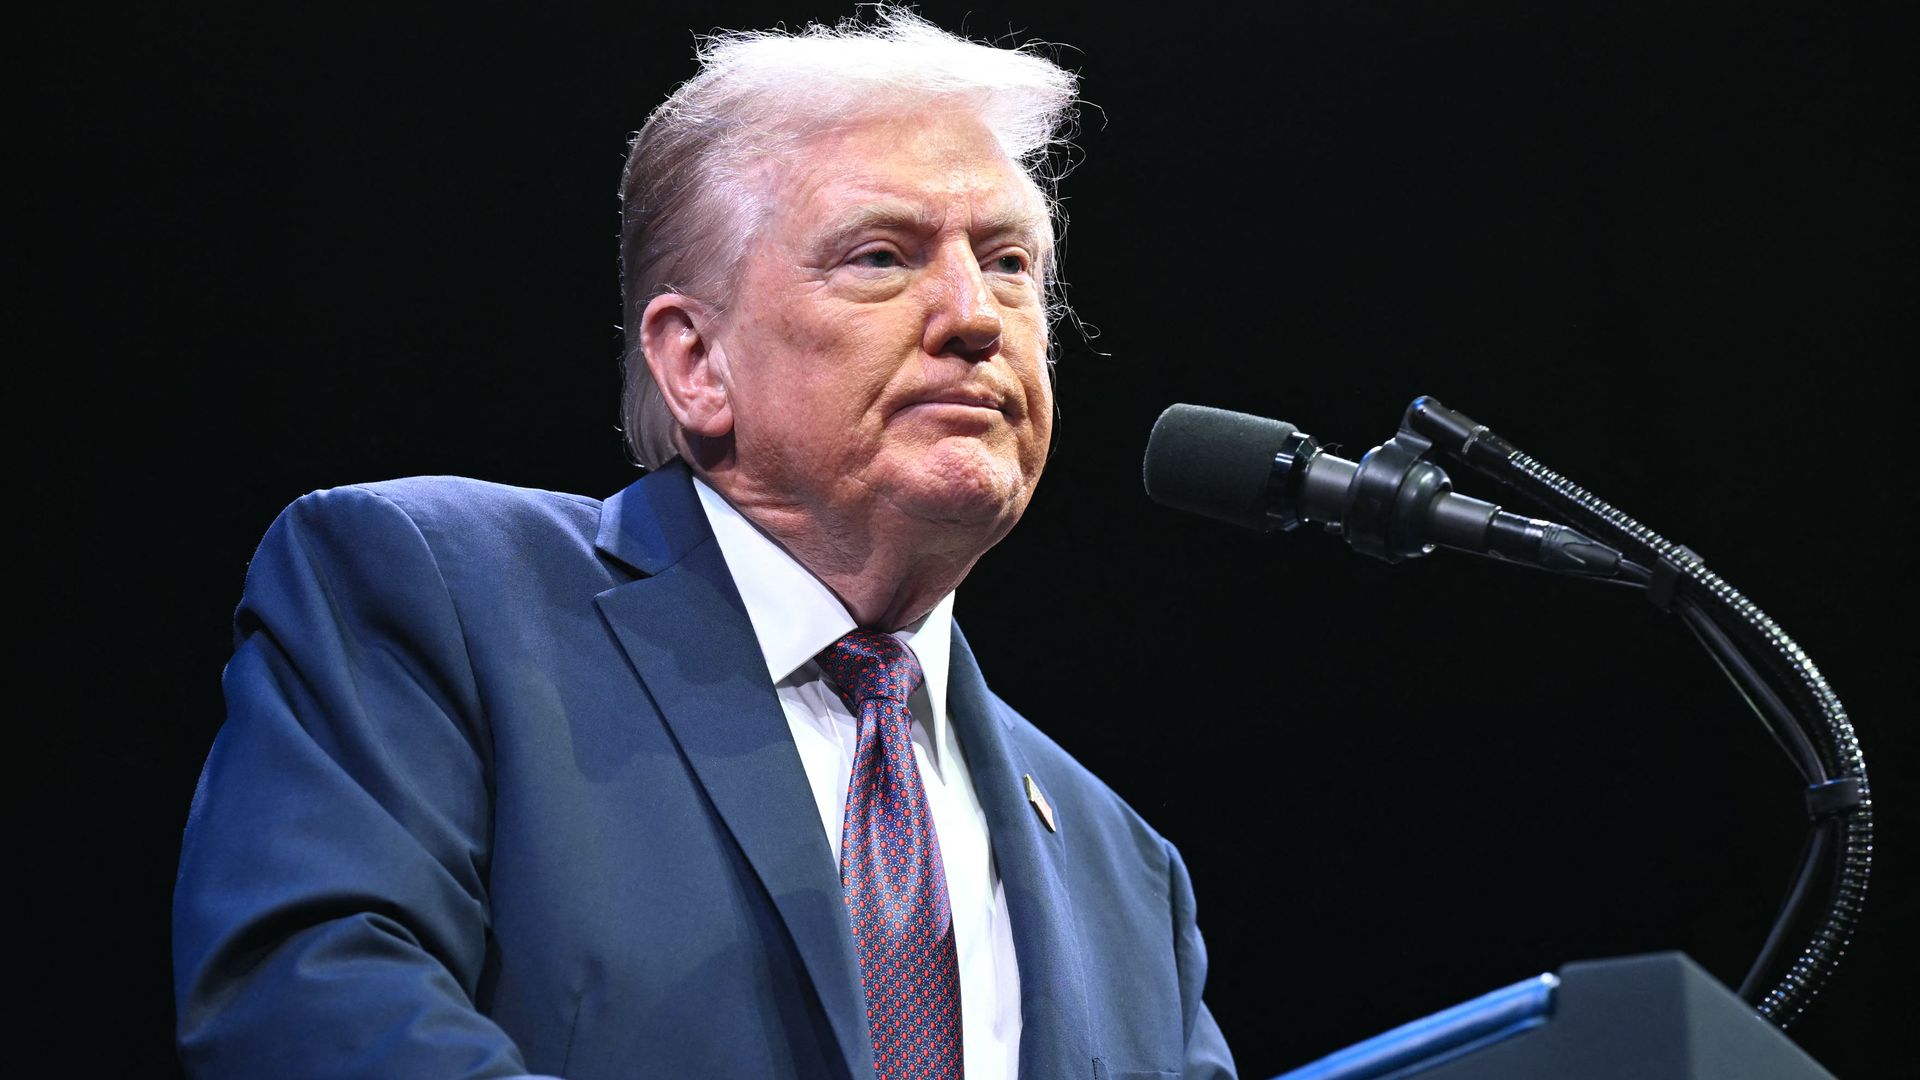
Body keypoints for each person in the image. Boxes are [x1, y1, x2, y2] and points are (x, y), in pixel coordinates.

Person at [173, 10, 1235, 1079]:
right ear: (696, 364)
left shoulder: (1125, 870)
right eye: (882, 256)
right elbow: (314, 1013)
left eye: (1009, 262)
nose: (976, 315)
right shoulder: (438, 597)